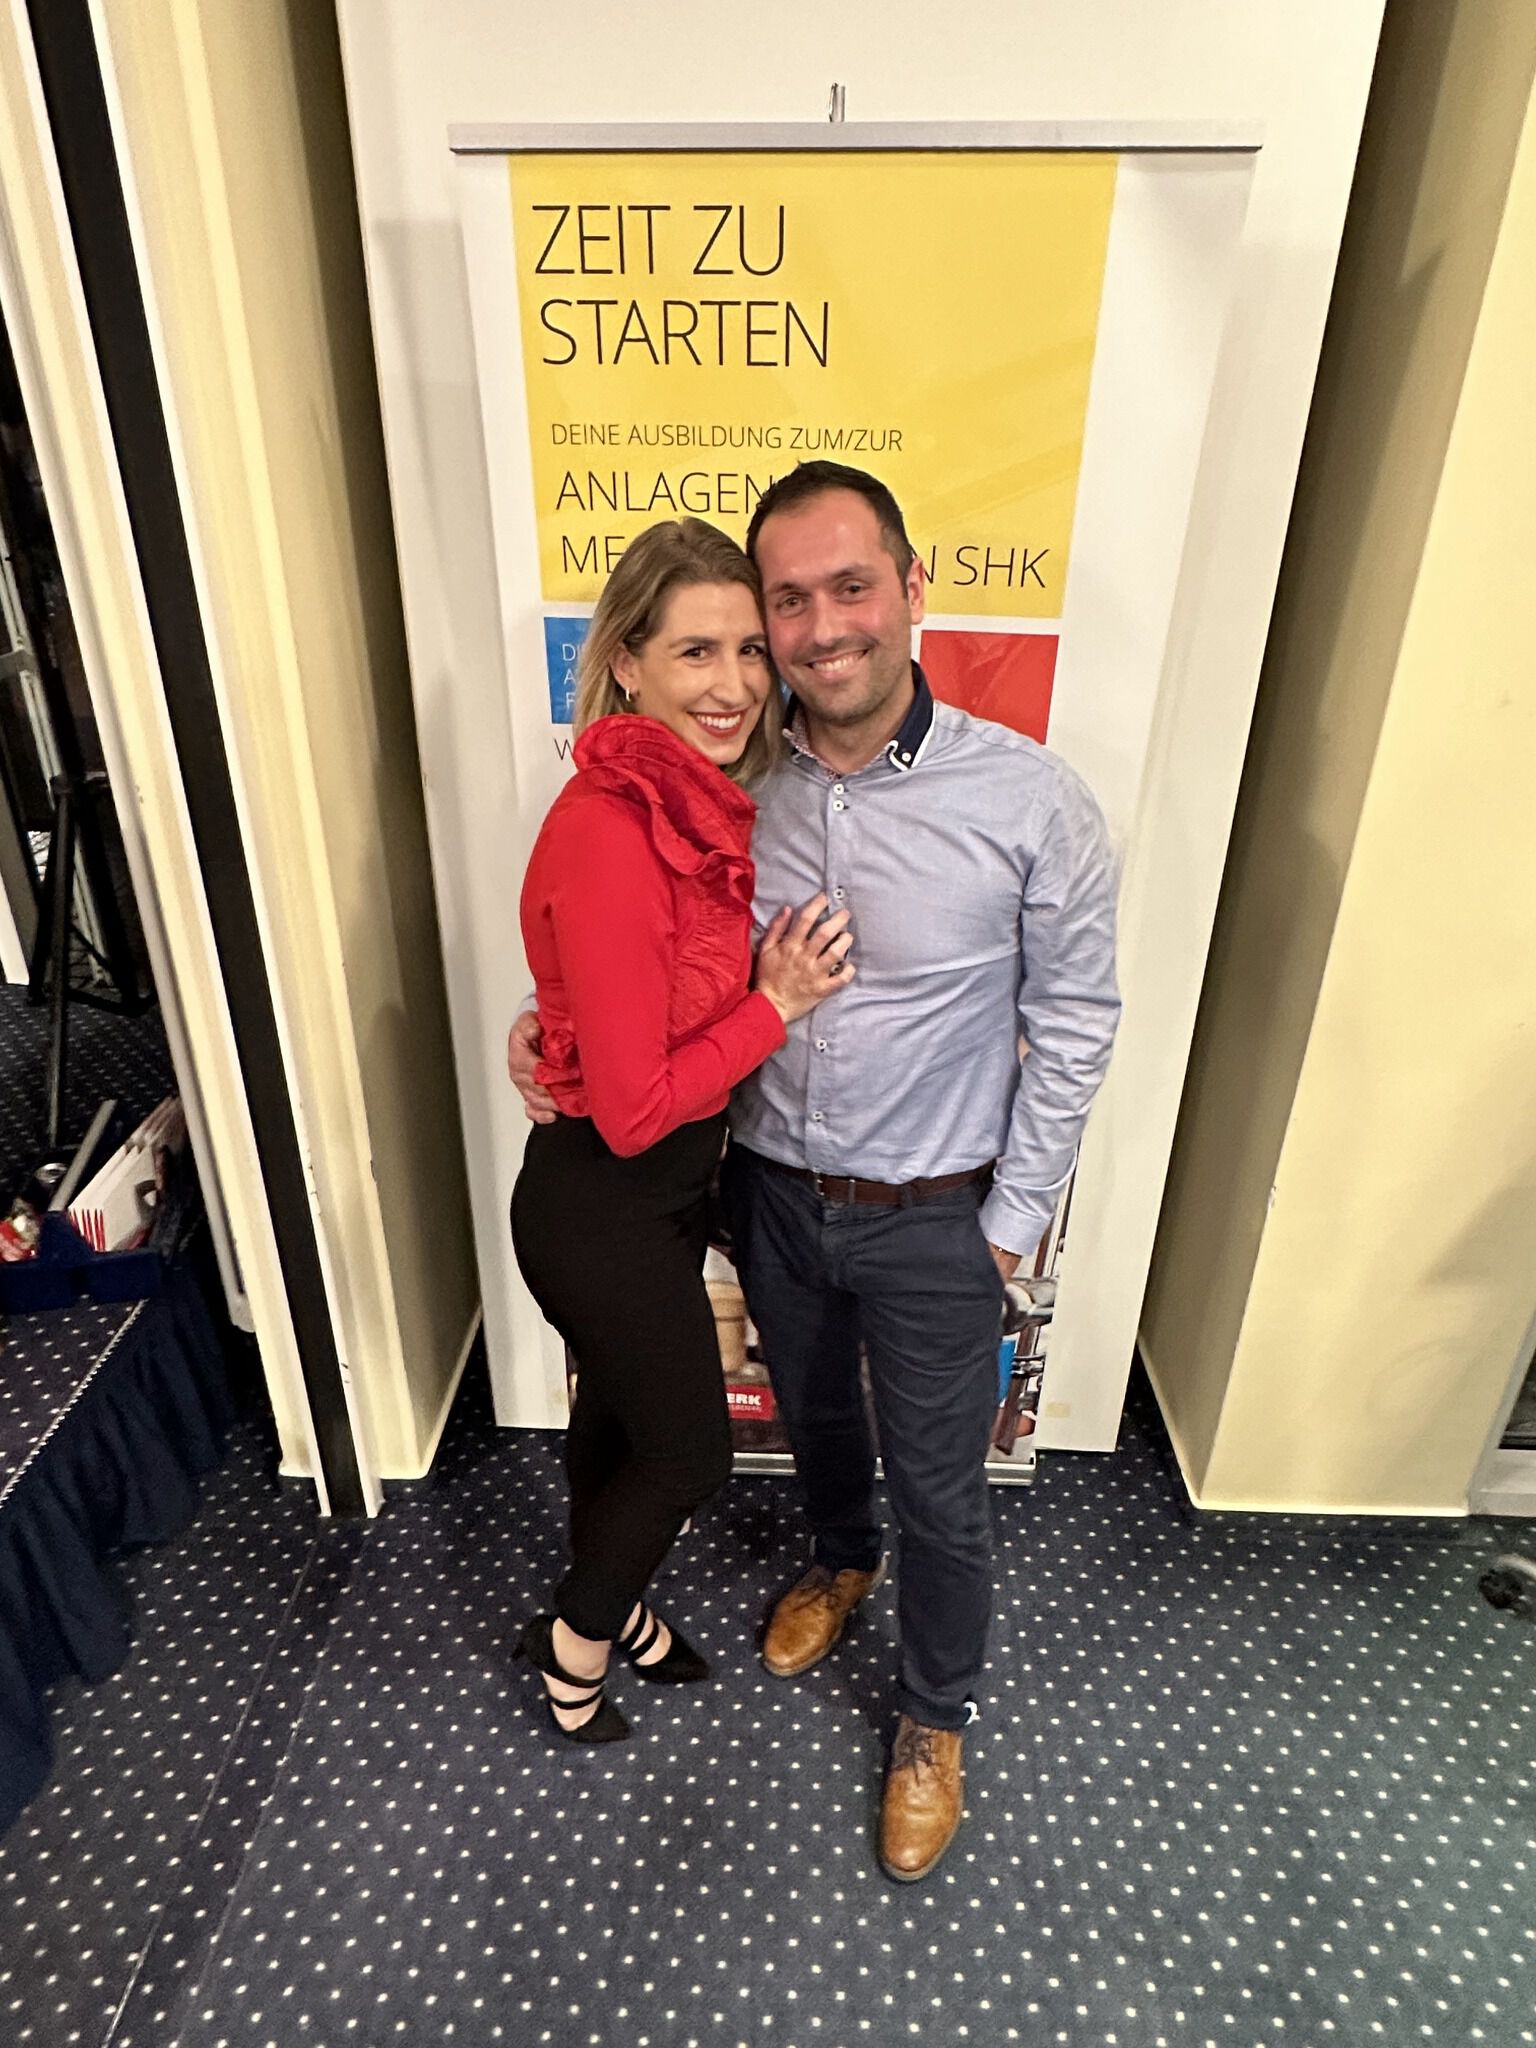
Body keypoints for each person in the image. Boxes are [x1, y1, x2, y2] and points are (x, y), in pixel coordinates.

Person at [512, 464, 1119, 1881]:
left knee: (946, 1491)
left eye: (852, 587)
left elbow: (1079, 1018)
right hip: (769, 1193)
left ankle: (933, 1719)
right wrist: (544, 1026)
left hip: (938, 1214)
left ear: (912, 590)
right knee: (821, 1429)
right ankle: (840, 1560)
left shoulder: (1030, 799)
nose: (820, 626)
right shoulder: (725, 784)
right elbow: (640, 957)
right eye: (788, 600)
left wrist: (1014, 1219)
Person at [509, 516, 852, 1746]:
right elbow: (636, 1103)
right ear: (627, 664)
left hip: (655, 1197)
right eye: (695, 652)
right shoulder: (614, 826)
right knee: (689, 1455)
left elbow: (623, 1002)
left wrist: (544, 1025)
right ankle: (575, 1641)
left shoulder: (694, 807)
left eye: (751, 650)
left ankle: (621, 1600)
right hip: (602, 1201)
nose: (735, 683)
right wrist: (776, 1004)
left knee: (617, 1418)